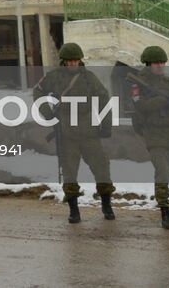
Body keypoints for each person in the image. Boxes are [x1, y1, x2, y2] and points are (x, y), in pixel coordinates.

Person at [32, 42, 115, 223]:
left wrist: (106, 124)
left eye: (75, 61)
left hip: (88, 132)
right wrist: (47, 112)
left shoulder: (88, 78)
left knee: (101, 168)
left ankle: (107, 204)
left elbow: (104, 99)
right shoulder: (53, 77)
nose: (72, 64)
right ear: (63, 61)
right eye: (69, 61)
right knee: (69, 173)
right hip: (66, 133)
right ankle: (74, 209)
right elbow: (37, 92)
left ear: (80, 61)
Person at [128, 45, 169, 230]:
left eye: (162, 62)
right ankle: (165, 212)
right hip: (156, 137)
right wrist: (162, 101)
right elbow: (140, 106)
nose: (160, 65)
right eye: (156, 62)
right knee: (163, 174)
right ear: (148, 64)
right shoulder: (138, 83)